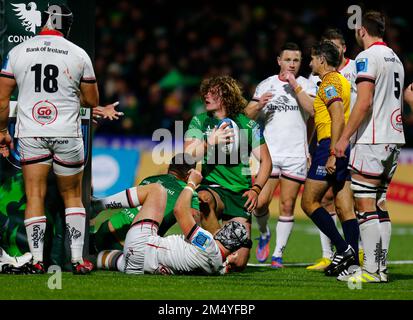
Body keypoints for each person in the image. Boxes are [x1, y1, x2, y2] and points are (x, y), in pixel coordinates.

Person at [0, 4, 108, 274]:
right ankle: (76, 260)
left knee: (35, 193)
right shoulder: (78, 53)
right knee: (72, 196)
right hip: (66, 133)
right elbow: (92, 101)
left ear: (45, 22)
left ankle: (36, 259)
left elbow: (2, 98)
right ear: (67, 27)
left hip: (32, 132)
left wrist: (2, 131)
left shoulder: (18, 51)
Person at [335, 11, 405, 283]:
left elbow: (364, 102)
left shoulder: (367, 57)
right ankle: (381, 268)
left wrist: (343, 139)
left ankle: (371, 271)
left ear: (362, 31)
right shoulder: (395, 57)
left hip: (372, 139)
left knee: (364, 205)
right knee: (379, 202)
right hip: (394, 138)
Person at [184, 75, 272, 271]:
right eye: (206, 91)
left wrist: (256, 190)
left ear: (226, 96)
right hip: (213, 188)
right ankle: (215, 251)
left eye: (212, 92)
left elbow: (266, 161)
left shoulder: (247, 125)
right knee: (203, 199)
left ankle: (210, 249)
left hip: (239, 193)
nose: (206, 95)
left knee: (239, 263)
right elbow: (188, 156)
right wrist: (209, 142)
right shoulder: (199, 122)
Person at [98, 169, 252, 275]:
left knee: (157, 191)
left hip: (141, 245)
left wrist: (191, 184)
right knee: (107, 259)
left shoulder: (206, 243)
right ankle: (86, 257)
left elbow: (179, 210)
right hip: (143, 266)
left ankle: (97, 205)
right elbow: (223, 263)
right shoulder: (218, 267)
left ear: (223, 234)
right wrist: (229, 258)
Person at [244, 42, 315, 268]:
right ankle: (264, 233)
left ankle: (278, 254)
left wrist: (295, 86)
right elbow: (247, 115)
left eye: (296, 60)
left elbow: (313, 111)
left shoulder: (306, 83)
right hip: (270, 154)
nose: (292, 64)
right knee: (259, 203)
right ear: (279, 61)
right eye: (288, 60)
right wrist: (258, 105)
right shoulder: (267, 84)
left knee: (287, 204)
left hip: (296, 154)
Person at [301, 41, 359, 277]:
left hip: (330, 146)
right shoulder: (341, 81)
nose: (310, 63)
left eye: (313, 58)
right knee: (344, 207)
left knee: (308, 202)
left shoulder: (329, 83)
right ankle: (352, 263)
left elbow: (337, 116)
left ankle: (343, 249)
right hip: (343, 145)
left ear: (322, 60)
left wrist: (333, 152)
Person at [90, 153, 200, 253]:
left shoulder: (151, 179)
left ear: (169, 167)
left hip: (106, 230)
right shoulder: (189, 194)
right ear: (189, 174)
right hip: (127, 245)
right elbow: (194, 229)